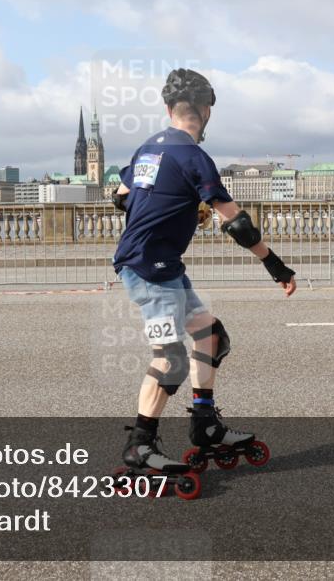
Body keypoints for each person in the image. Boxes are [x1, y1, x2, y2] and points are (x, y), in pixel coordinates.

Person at [111, 68, 297, 473]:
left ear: (169, 109)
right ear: (206, 110)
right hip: (149, 270)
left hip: (160, 265)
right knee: (171, 358)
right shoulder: (195, 157)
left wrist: (175, 205)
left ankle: (205, 423)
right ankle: (139, 445)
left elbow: (120, 197)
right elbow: (238, 224)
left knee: (211, 336)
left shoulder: (148, 148)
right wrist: (275, 266)